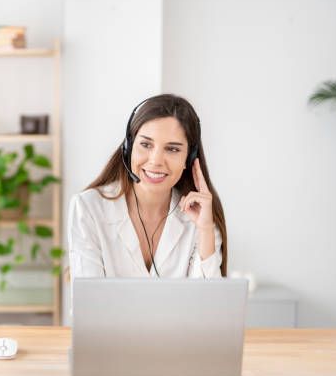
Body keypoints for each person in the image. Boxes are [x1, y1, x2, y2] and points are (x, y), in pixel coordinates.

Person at [68, 94, 227, 279]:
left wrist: (205, 230)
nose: (156, 161)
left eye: (172, 149)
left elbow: (207, 304)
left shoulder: (201, 217)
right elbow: (89, 302)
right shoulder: (88, 208)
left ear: (189, 158)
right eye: (145, 144)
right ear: (129, 147)